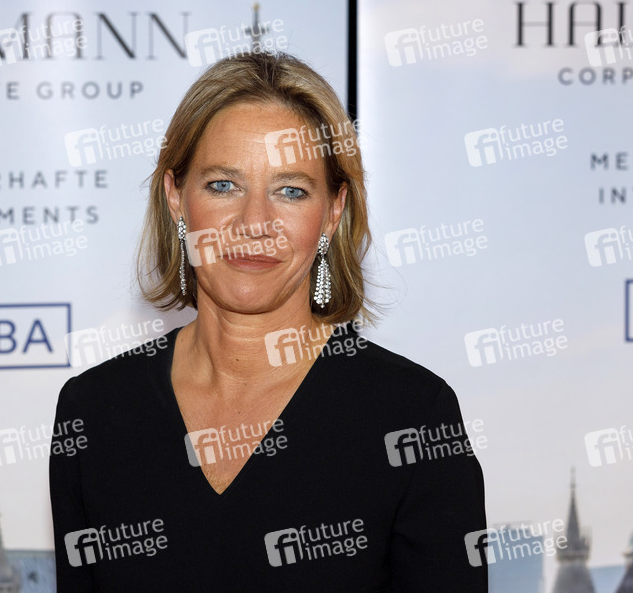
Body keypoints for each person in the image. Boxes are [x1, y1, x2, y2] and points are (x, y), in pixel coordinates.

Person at [50, 51, 487, 591]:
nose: (255, 222)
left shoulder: (413, 416)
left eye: (290, 191)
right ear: (175, 198)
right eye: (223, 185)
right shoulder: (94, 412)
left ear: (332, 212)